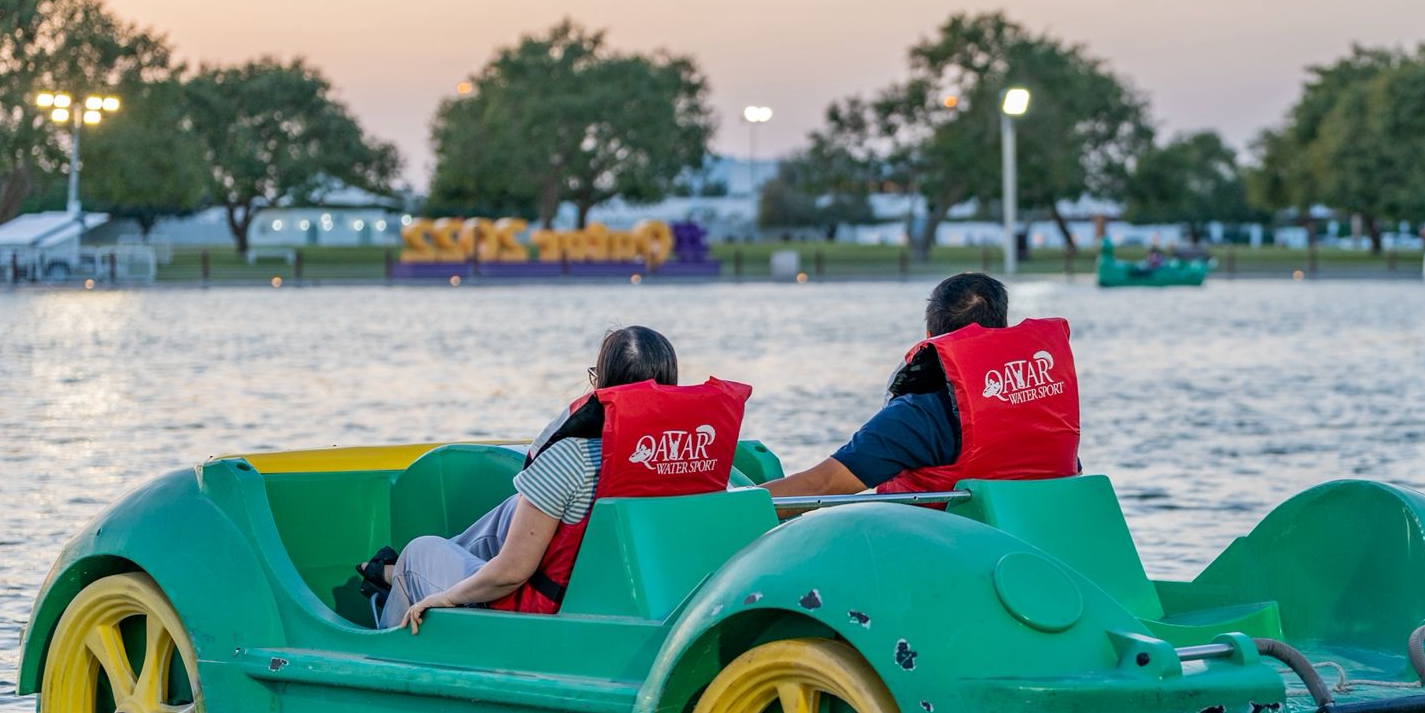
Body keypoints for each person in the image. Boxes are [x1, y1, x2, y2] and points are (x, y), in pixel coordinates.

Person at [362, 326, 751, 632]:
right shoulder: (690, 456)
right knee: (516, 508)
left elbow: (513, 572)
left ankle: (388, 629)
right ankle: (403, 575)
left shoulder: (571, 457)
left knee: (418, 553)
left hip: (543, 613)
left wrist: (445, 598)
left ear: (603, 383)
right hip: (641, 598)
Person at [762, 272, 1079, 499]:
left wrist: (727, 508)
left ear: (931, 338)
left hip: (947, 558)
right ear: (1003, 330)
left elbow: (821, 485)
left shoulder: (920, 415)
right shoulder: (1047, 401)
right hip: (1036, 552)